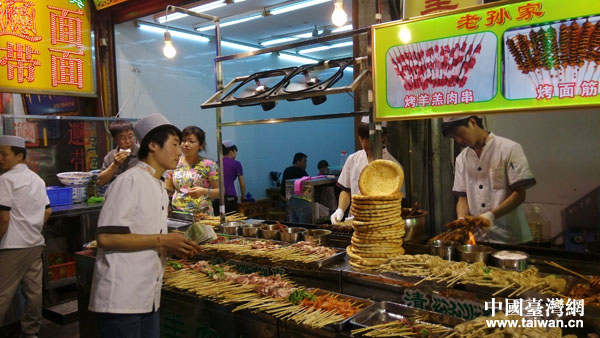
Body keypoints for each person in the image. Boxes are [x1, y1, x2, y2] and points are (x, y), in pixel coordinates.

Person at [89, 113, 200, 338]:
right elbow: (106, 238)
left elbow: (146, 235)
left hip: (148, 297)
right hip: (121, 300)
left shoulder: (158, 186)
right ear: (152, 145)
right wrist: (164, 240)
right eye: (175, 144)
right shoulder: (129, 181)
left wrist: (172, 246)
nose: (179, 152)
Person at [442, 115, 536, 244]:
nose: (459, 140)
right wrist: (463, 220)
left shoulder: (509, 148)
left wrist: (490, 216)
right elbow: (462, 198)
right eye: (454, 138)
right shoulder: (461, 159)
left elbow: (519, 194)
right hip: (478, 239)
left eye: (459, 133)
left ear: (472, 122)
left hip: (510, 237)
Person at [0, 135, 52, 338]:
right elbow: (48, 211)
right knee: (34, 292)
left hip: (13, 245)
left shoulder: (5, 180)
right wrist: (33, 227)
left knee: (2, 293)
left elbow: (3, 219)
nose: (0, 158)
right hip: (35, 243)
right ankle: (31, 332)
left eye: (4, 154)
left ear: (19, 155)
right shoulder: (36, 179)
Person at [330, 119, 404, 224]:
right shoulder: (353, 159)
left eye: (369, 139)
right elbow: (346, 190)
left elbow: (396, 202)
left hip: (381, 223)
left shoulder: (393, 167)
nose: (364, 143)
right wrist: (340, 209)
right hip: (355, 221)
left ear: (382, 138)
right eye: (361, 139)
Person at [166, 126, 220, 217]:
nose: (186, 144)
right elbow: (169, 189)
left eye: (191, 141)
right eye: (183, 140)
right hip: (178, 214)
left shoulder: (208, 165)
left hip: (202, 215)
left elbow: (221, 192)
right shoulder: (174, 163)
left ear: (201, 145)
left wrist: (204, 191)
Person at [97, 120, 139, 187]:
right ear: (115, 140)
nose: (128, 141)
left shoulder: (143, 153)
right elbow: (100, 182)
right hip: (116, 194)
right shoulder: (110, 156)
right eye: (122, 138)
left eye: (130, 136)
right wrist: (115, 165)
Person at [212, 139, 245, 215]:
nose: (236, 154)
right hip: (230, 198)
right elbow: (242, 185)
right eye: (235, 152)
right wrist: (243, 197)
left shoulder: (215, 164)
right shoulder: (236, 164)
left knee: (219, 221)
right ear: (231, 151)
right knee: (232, 222)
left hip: (217, 198)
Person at [280, 152, 311, 223]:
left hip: (288, 201)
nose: (306, 164)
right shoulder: (301, 172)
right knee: (303, 224)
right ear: (298, 161)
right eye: (304, 161)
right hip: (301, 203)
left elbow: (282, 190)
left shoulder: (286, 170)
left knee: (293, 222)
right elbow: (308, 188)